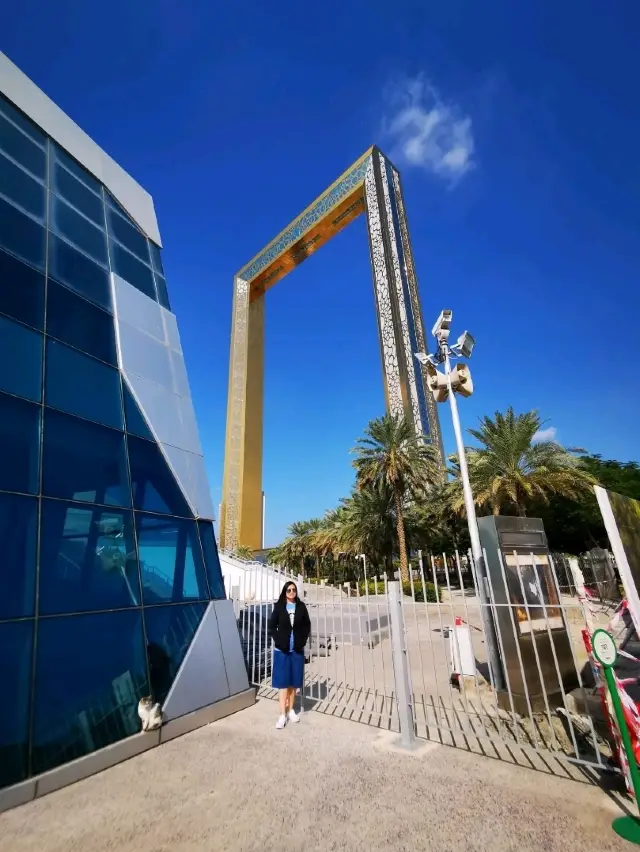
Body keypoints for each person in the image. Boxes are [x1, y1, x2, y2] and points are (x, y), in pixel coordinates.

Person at [268, 581, 311, 729]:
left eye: (294, 590)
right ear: (284, 592)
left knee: (293, 684)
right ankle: (282, 714)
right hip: (282, 650)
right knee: (283, 684)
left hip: (296, 650)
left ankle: (291, 710)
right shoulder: (279, 607)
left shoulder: (301, 607)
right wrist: (279, 640)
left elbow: (307, 625)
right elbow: (272, 626)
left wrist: (302, 640)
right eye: (289, 590)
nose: (292, 592)